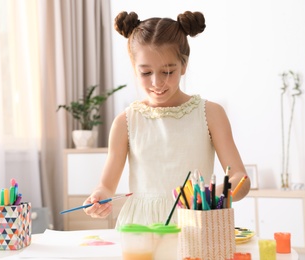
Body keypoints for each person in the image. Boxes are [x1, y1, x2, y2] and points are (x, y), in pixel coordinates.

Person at [83, 10, 250, 226]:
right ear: (135, 69)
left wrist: (207, 196)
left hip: (195, 225)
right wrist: (98, 199)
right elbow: (106, 186)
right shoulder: (125, 122)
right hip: (140, 229)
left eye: (168, 71)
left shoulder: (211, 114)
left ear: (184, 65)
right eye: (145, 73)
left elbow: (241, 180)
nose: (157, 82)